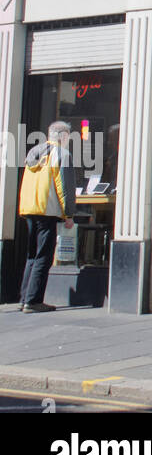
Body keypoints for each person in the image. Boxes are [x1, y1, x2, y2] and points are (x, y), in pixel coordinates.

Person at [17, 121, 76, 313]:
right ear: (64, 136)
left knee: (32, 255)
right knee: (43, 256)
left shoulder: (35, 152)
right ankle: (33, 301)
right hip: (47, 211)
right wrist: (68, 214)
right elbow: (64, 187)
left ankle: (24, 297)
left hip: (30, 209)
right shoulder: (62, 155)